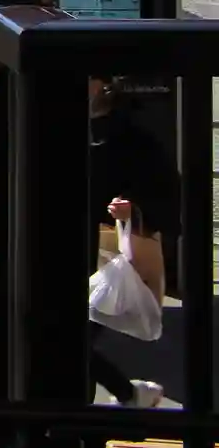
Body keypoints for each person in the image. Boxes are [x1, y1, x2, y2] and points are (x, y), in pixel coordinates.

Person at [89, 75, 176, 408]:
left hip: (105, 252)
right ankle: (131, 394)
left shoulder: (131, 135)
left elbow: (164, 192)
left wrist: (133, 207)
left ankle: (130, 394)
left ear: (101, 85)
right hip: (85, 251)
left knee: (64, 341)